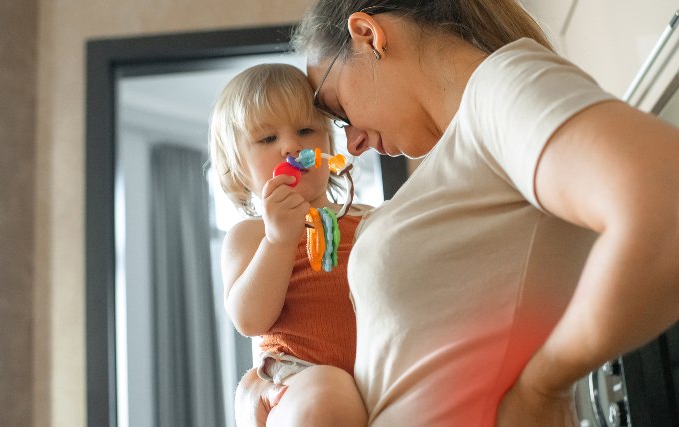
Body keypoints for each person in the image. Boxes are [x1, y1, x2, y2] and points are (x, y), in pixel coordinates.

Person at [289, 1, 679, 426]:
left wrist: (541, 387)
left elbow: (665, 203)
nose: (353, 143)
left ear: (368, 35)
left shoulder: (499, 89)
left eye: (339, 109)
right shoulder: (456, 154)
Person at [208, 63, 370, 427]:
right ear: (238, 168)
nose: (291, 146)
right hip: (299, 375)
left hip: (378, 371)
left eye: (306, 130)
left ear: (329, 143)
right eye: (267, 139)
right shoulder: (251, 235)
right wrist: (279, 240)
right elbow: (249, 320)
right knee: (329, 396)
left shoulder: (369, 220)